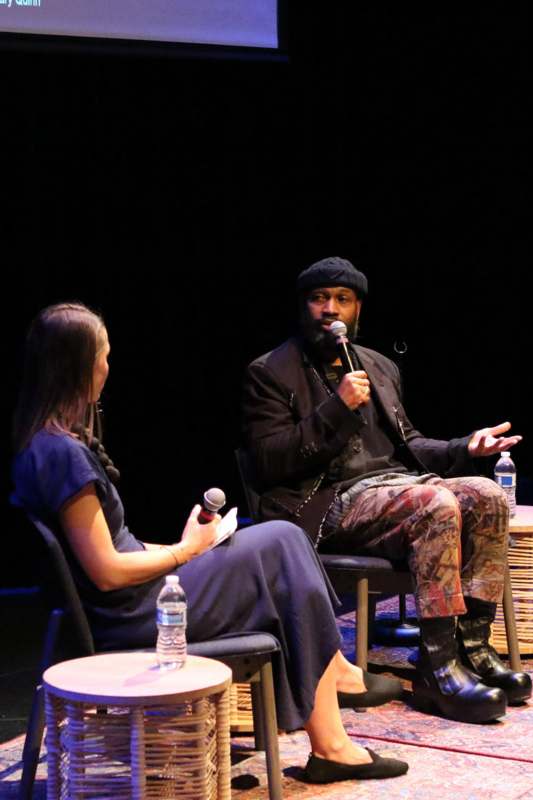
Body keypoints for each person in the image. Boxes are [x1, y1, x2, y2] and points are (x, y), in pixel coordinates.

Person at [10, 302, 408, 784]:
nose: (107, 368)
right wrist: (187, 551)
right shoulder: (61, 455)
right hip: (135, 615)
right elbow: (107, 571)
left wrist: (180, 544)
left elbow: (114, 549)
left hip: (136, 598)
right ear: (80, 365)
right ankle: (332, 730)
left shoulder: (45, 445)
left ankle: (333, 699)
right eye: (104, 355)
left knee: (276, 544)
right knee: (282, 541)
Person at [242, 256, 532, 724]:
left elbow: (411, 443)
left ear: (358, 309)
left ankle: (471, 646)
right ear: (303, 307)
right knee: (434, 504)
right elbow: (270, 460)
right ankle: (436, 668)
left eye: (342, 299)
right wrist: (335, 409)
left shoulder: (377, 366)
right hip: (327, 502)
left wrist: (467, 447)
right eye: (319, 299)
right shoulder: (271, 371)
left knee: (487, 496)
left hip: (395, 487)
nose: (330, 309)